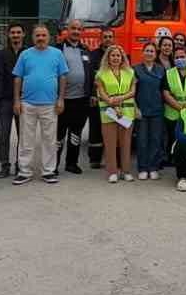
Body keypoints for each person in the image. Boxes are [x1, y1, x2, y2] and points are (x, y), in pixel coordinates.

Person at [12, 24, 68, 185]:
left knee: (49, 139)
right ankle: (24, 171)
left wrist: (61, 99)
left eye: (43, 35)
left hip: (50, 104)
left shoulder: (57, 54)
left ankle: (48, 171)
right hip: (27, 103)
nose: (41, 38)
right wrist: (17, 100)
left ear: (48, 37)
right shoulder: (25, 54)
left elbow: (63, 77)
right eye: (38, 35)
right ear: (33, 37)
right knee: (26, 139)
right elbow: (18, 78)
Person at [55, 19, 96, 175]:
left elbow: (92, 75)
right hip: (63, 99)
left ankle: (71, 163)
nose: (76, 32)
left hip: (82, 100)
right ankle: (54, 165)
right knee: (59, 134)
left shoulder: (85, 50)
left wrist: (92, 93)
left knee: (76, 133)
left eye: (79, 29)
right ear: (67, 29)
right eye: (73, 28)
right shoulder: (58, 49)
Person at [94, 44, 137, 183]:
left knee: (126, 142)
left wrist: (120, 99)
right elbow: (101, 92)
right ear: (108, 57)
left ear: (122, 57)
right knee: (110, 143)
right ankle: (112, 171)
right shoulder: (100, 74)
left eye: (118, 55)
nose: (115, 58)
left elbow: (133, 91)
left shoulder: (130, 72)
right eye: (113, 55)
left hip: (127, 111)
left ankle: (125, 171)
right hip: (108, 111)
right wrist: (112, 102)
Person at [0, 23, 25, 179]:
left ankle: (21, 165)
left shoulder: (29, 53)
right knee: (3, 134)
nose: (16, 35)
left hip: (25, 100)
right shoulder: (0, 54)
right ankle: (4, 166)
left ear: (23, 35)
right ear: (8, 35)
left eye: (18, 32)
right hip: (4, 100)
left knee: (23, 135)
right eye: (13, 33)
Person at [132, 42, 167, 180]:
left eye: (152, 51)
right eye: (147, 50)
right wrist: (135, 108)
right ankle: (142, 168)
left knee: (156, 139)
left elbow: (164, 90)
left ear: (155, 54)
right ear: (142, 52)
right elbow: (132, 92)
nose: (149, 53)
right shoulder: (136, 69)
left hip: (157, 110)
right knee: (141, 140)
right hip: (141, 110)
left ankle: (153, 167)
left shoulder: (161, 70)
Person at [88, 30, 117, 169]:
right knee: (96, 128)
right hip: (98, 98)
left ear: (114, 38)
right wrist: (93, 94)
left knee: (113, 128)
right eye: (105, 37)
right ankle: (95, 159)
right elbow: (91, 78)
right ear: (101, 39)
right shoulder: (93, 55)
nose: (108, 39)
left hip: (115, 98)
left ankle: (111, 158)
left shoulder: (119, 54)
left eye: (110, 37)